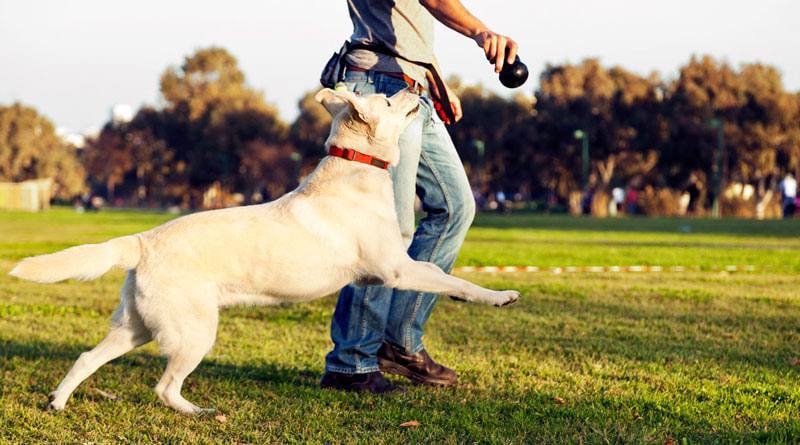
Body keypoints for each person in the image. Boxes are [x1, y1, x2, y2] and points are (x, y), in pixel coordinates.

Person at [319, 0, 519, 393]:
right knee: (388, 235)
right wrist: (481, 32)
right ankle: (351, 362)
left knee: (455, 207)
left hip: (411, 90)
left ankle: (399, 341)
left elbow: (409, 24)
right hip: (379, 89)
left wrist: (433, 79)